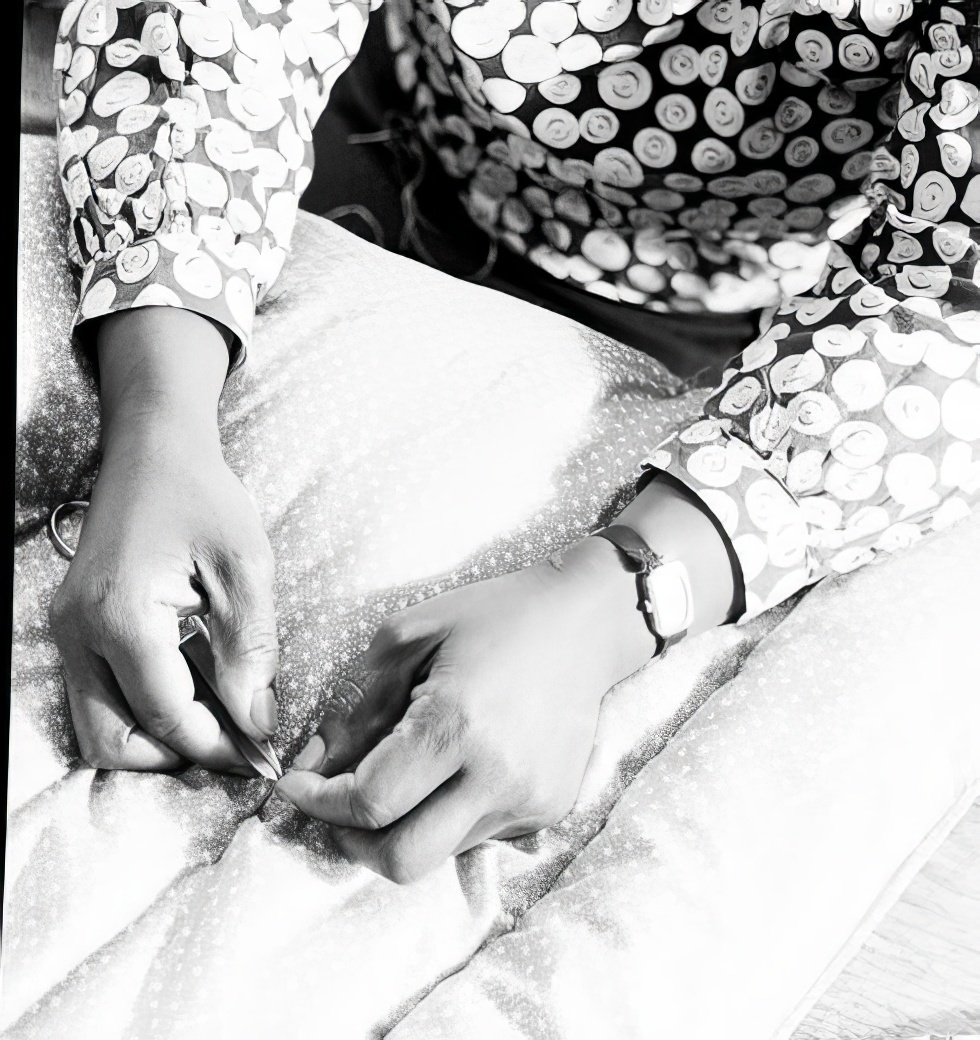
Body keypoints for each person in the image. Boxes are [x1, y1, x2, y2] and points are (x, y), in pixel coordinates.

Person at [49, 0, 979, 882]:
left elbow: (948, 293)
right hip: (316, 117)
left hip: (683, 306)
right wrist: (160, 417)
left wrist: (616, 600)